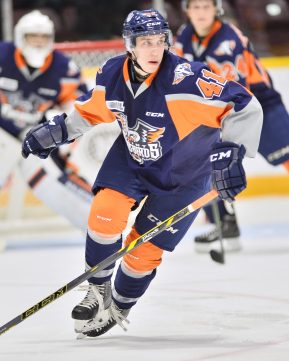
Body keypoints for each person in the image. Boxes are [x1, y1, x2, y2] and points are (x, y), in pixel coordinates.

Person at [21, 9, 263, 337]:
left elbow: (244, 105)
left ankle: (119, 304)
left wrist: (232, 152)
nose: (153, 49)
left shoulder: (186, 79)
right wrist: (57, 131)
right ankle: (97, 288)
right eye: (145, 42)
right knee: (104, 213)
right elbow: (94, 109)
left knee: (143, 252)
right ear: (129, 45)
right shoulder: (112, 73)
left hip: (185, 176)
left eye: (160, 41)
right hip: (133, 158)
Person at [176, 0, 289, 253]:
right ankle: (224, 223)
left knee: (287, 157)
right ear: (188, 11)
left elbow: (237, 91)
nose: (201, 13)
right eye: (196, 8)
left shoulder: (229, 39)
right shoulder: (183, 36)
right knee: (197, 162)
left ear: (216, 10)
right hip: (213, 109)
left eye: (206, 7)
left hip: (257, 104)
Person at [0, 10, 92, 231]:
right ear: (21, 37)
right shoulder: (2, 55)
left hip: (32, 139)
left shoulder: (63, 68)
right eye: (33, 36)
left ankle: (98, 234)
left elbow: (78, 105)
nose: (39, 42)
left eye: (43, 37)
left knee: (55, 187)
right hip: (2, 135)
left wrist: (59, 124)